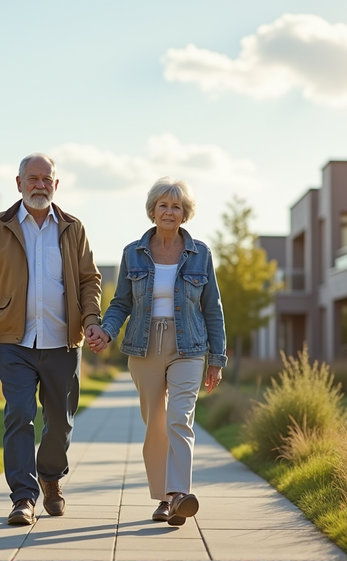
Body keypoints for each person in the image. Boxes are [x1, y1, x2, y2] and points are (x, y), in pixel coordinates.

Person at [0, 152, 103, 526]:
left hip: (63, 341)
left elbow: (90, 280)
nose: (40, 185)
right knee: (19, 415)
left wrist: (91, 320)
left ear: (56, 185)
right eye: (33, 179)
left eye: (47, 179)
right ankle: (23, 498)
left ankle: (50, 477)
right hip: (14, 342)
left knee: (60, 422)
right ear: (18, 183)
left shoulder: (73, 228)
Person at [87, 177, 225, 526]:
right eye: (163, 205)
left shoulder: (201, 254)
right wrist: (106, 330)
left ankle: (179, 494)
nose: (169, 211)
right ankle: (164, 499)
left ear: (185, 213)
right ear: (153, 210)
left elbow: (213, 309)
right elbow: (121, 303)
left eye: (176, 206)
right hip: (144, 345)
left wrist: (217, 359)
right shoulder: (133, 252)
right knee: (156, 425)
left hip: (189, 346)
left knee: (180, 418)